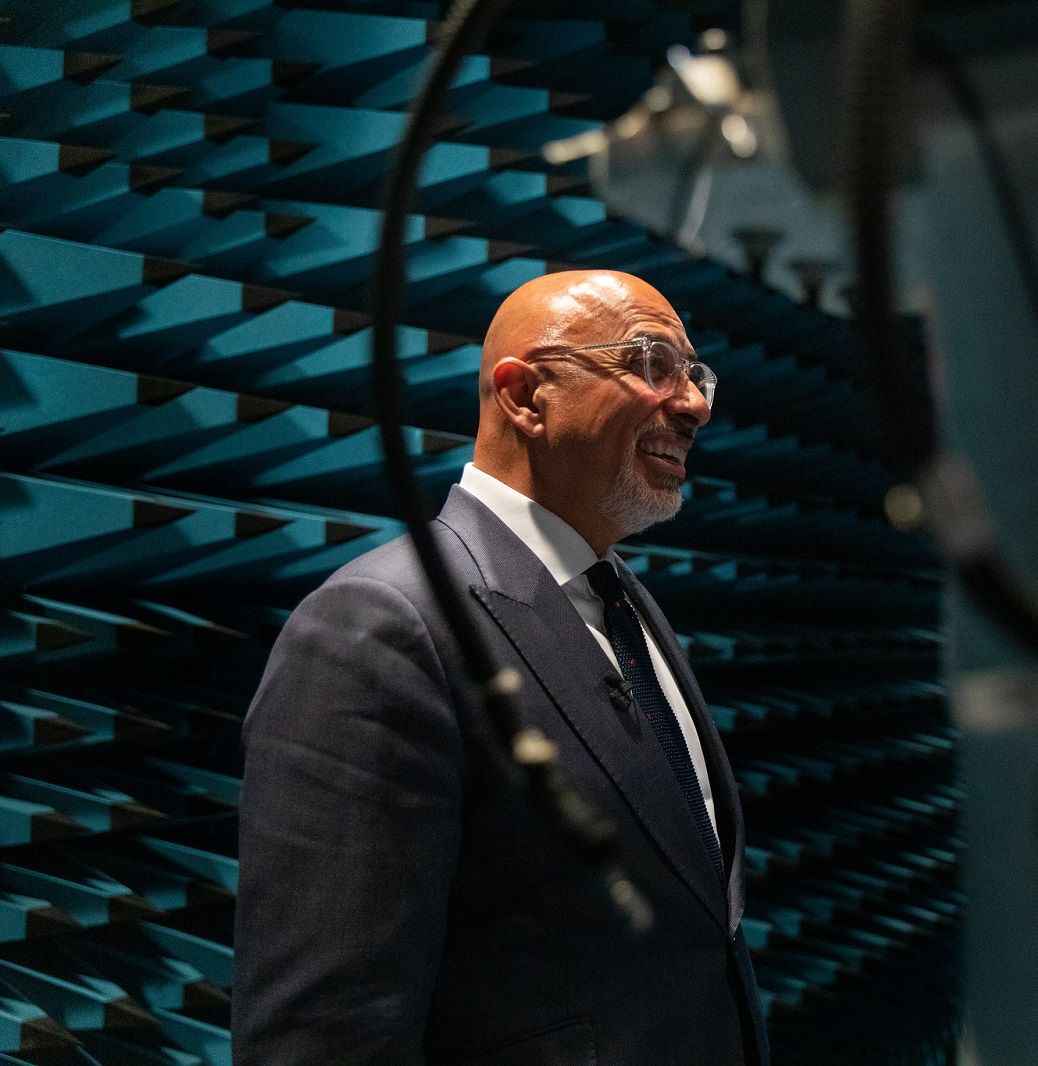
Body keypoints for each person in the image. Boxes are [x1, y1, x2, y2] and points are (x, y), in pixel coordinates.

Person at [233, 271, 768, 1065]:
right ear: (524, 397)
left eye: (695, 373)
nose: (692, 403)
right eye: (651, 362)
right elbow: (326, 1034)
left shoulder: (622, 598)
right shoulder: (381, 627)